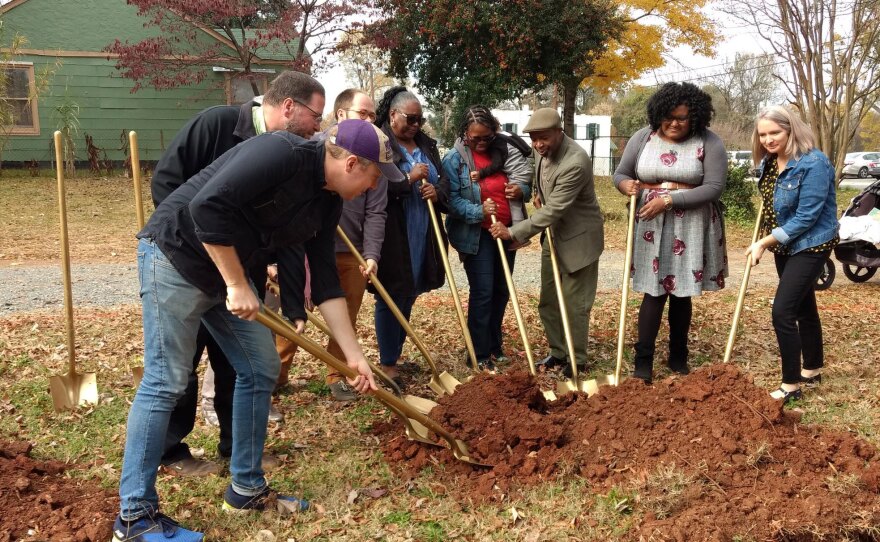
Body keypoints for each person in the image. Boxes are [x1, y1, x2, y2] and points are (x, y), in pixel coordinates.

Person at [112, 119, 390, 542]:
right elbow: (205, 207)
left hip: (226, 272)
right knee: (166, 381)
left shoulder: (327, 200)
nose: (373, 188)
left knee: (260, 368)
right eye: (373, 178)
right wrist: (238, 284)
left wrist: (353, 356)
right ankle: (134, 518)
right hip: (175, 256)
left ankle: (245, 488)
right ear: (352, 163)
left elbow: (328, 281)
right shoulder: (280, 152)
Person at [149, 71, 326, 476]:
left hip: (241, 276)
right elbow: (167, 185)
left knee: (237, 362)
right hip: (190, 266)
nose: (319, 127)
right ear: (288, 107)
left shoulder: (293, 157)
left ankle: (235, 448)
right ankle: (170, 451)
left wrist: (295, 302)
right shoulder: (217, 124)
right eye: (317, 116)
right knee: (182, 363)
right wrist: (206, 250)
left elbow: (294, 236)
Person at [613, 82, 729, 383]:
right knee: (653, 290)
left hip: (691, 223)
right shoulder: (643, 138)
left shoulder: (709, 142)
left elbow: (714, 188)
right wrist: (626, 185)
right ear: (658, 114)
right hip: (650, 224)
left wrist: (669, 200)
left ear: (696, 117)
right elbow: (621, 174)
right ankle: (643, 361)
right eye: (669, 116)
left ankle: (678, 356)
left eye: (683, 117)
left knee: (682, 292)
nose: (674, 123)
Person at [489, 108, 604, 377]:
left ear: (558, 132)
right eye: (534, 139)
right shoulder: (542, 154)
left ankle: (577, 360)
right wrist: (539, 195)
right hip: (551, 237)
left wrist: (514, 232)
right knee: (549, 302)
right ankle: (558, 352)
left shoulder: (575, 161)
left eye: (544, 138)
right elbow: (543, 189)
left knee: (575, 305)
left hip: (579, 241)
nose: (538, 144)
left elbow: (555, 210)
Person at [746, 105, 838, 404]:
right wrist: (770, 238)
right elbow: (773, 205)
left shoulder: (814, 163)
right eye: (763, 134)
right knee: (803, 307)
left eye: (775, 132)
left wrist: (763, 242)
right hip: (784, 245)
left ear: (791, 130)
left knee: (782, 310)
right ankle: (812, 370)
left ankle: (791, 384)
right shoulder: (770, 163)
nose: (769, 140)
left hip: (811, 243)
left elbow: (806, 217)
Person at [442, 105, 533, 370]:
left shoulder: (502, 149)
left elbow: (523, 185)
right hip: (477, 234)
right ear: (465, 134)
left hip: (506, 230)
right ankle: (478, 353)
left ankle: (495, 346)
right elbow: (451, 202)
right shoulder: (454, 159)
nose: (481, 142)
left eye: (487, 136)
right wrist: (478, 210)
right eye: (475, 138)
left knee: (501, 291)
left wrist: (521, 190)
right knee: (483, 292)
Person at [372, 86, 450, 387]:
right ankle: (387, 363)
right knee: (390, 296)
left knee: (411, 291)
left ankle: (395, 352)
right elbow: (374, 186)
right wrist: (408, 180)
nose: (416, 125)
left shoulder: (426, 145)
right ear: (393, 115)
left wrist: (436, 190)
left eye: (420, 119)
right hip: (394, 233)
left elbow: (444, 181)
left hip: (424, 232)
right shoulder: (380, 143)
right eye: (411, 119)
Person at [320, 88, 390, 401]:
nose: (370, 119)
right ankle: (273, 378)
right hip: (311, 247)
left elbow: (376, 210)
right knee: (291, 314)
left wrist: (371, 253)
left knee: (344, 315)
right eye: (363, 113)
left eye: (373, 114)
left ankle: (339, 374)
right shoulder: (317, 149)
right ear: (340, 115)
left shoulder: (377, 156)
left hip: (351, 251)